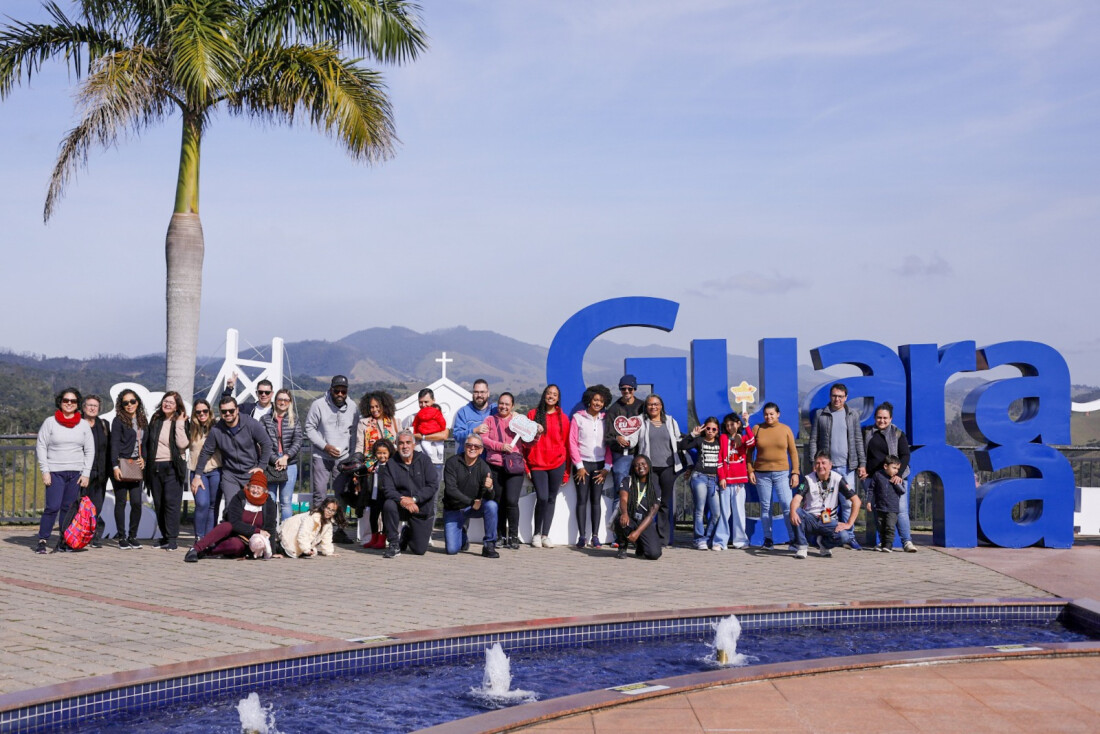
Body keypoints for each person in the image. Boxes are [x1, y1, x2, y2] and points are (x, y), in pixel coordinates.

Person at [34, 388, 94, 554]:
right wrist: (45, 470)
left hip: (75, 473)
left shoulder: (83, 425)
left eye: (73, 401)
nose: (69, 403)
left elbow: (90, 449)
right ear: (60, 402)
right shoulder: (50, 422)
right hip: (55, 471)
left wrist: (86, 473)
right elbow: (41, 446)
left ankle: (64, 540)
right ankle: (43, 539)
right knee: (52, 507)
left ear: (77, 404)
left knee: (68, 508)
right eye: (66, 400)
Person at [808, 383, 866, 548]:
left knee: (848, 503)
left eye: (840, 396)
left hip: (847, 467)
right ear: (830, 396)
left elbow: (858, 440)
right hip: (826, 468)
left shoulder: (852, 415)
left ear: (846, 397)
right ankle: (826, 535)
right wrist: (815, 461)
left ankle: (849, 536)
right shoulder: (821, 414)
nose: (837, 399)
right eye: (834, 395)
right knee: (823, 503)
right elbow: (813, 440)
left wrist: (862, 463)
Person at [625, 394, 685, 546]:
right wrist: (624, 440)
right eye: (650, 404)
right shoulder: (640, 421)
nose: (653, 407)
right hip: (648, 469)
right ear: (646, 406)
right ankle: (644, 535)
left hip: (668, 468)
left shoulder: (670, 421)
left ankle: (663, 538)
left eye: (656, 404)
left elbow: (679, 441)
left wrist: (693, 437)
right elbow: (632, 440)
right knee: (647, 503)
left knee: (664, 503)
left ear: (661, 406)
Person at [190, 395, 272, 499]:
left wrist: (261, 467)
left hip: (251, 472)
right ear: (220, 412)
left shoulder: (251, 424)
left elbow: (266, 443)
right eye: (224, 411)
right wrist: (197, 476)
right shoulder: (216, 430)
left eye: (231, 410)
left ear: (237, 410)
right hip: (230, 475)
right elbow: (206, 452)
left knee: (252, 505)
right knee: (232, 507)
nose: (228, 413)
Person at [184, 471, 277, 561]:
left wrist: (273, 551)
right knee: (227, 526)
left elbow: (271, 528)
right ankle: (196, 549)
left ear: (264, 490)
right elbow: (234, 523)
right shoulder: (239, 498)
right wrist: (257, 530)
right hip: (236, 534)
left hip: (255, 542)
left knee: (237, 546)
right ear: (248, 487)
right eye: (253, 487)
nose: (255, 490)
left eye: (259, 488)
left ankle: (207, 552)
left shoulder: (269, 504)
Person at [863, 402, 916, 552]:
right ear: (874, 418)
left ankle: (907, 541)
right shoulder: (867, 432)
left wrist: (898, 474)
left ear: (891, 418)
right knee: (878, 512)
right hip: (874, 478)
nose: (882, 421)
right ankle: (884, 542)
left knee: (901, 510)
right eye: (879, 417)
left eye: (885, 418)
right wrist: (862, 467)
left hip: (895, 479)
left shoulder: (897, 433)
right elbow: (862, 452)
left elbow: (905, 455)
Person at [790, 452, 862, 559]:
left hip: (829, 520)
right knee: (796, 512)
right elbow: (797, 499)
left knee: (845, 536)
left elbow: (856, 501)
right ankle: (802, 547)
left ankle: (824, 544)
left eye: (824, 463)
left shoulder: (838, 479)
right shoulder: (808, 479)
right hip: (811, 519)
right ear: (814, 466)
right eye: (818, 463)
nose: (820, 466)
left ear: (830, 465)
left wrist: (849, 524)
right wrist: (792, 512)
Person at [378, 430, 439, 558]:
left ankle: (406, 533)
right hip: (400, 505)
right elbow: (387, 489)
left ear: (414, 444)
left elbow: (433, 485)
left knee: (419, 550)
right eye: (401, 443)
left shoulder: (425, 460)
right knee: (388, 504)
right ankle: (394, 544)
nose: (404, 446)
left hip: (419, 507)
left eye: (408, 443)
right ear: (396, 445)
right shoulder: (391, 463)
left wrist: (415, 499)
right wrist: (403, 500)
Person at [304, 375, 359, 515]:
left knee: (341, 495)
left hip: (343, 459)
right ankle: (316, 528)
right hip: (321, 456)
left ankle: (339, 528)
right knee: (319, 494)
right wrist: (325, 446)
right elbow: (309, 428)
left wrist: (351, 456)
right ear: (331, 389)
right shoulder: (318, 405)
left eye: (343, 391)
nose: (340, 394)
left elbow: (354, 433)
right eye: (337, 391)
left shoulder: (353, 407)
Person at [524, 384, 570, 548]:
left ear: (558, 398)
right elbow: (524, 443)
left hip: (557, 463)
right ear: (544, 395)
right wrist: (527, 467)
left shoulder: (563, 418)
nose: (551, 396)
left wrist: (566, 471)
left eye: (555, 394)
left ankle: (545, 535)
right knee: (542, 497)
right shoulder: (533, 414)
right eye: (549, 393)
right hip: (537, 463)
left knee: (551, 499)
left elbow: (566, 444)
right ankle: (536, 533)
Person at [750, 402, 800, 549]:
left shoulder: (785, 430)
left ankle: (793, 539)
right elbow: (749, 452)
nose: (769, 416)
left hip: (782, 473)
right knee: (766, 507)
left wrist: (795, 472)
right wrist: (750, 470)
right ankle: (768, 539)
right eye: (766, 414)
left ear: (778, 414)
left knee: (787, 506)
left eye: (772, 414)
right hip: (761, 474)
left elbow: (793, 452)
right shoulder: (757, 429)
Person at [144, 391, 189, 551]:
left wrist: (179, 424)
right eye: (165, 401)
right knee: (159, 503)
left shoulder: (181, 421)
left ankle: (172, 539)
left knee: (171, 503)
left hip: (172, 466)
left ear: (177, 405)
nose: (167, 404)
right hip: (155, 467)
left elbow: (183, 444)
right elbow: (148, 443)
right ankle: (164, 536)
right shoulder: (156, 420)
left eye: (171, 402)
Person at [568, 385, 613, 548]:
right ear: (589, 400)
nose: (598, 403)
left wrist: (607, 468)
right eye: (595, 400)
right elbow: (572, 442)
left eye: (601, 401)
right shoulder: (578, 418)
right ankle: (582, 536)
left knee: (596, 501)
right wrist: (579, 465)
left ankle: (595, 536)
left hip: (600, 466)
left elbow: (609, 444)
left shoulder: (607, 419)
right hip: (582, 465)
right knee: (581, 500)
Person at [481, 392, 527, 549]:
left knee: (512, 501)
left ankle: (513, 536)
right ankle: (500, 535)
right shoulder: (489, 420)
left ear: (512, 406)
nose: (503, 406)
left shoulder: (518, 422)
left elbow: (529, 440)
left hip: (514, 467)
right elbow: (484, 439)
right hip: (495, 465)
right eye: (501, 403)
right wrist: (500, 446)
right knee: (498, 501)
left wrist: (537, 433)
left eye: (507, 404)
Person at [355, 391, 400, 547]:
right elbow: (360, 445)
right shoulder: (364, 423)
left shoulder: (394, 422)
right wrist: (357, 461)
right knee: (373, 506)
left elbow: (399, 444)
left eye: (377, 406)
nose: (374, 410)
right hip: (371, 470)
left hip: (391, 469)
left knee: (387, 503)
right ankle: (373, 537)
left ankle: (385, 537)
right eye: (371, 407)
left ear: (384, 405)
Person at [442, 436, 499, 557]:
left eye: (476, 446)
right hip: (454, 509)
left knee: (492, 506)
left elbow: (491, 496)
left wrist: (490, 488)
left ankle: (489, 545)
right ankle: (462, 533)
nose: (472, 448)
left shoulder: (484, 467)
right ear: (464, 447)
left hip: (473, 508)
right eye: (469, 445)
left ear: (481, 450)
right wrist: (471, 502)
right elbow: (451, 490)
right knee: (452, 550)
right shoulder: (452, 462)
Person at [109, 388, 147, 549]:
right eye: (126, 403)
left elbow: (145, 444)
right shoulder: (118, 421)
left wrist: (144, 458)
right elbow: (115, 444)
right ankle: (122, 537)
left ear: (137, 402)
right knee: (121, 502)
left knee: (137, 503)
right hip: (122, 464)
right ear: (121, 405)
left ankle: (133, 536)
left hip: (136, 466)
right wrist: (115, 466)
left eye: (132, 401)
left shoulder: (143, 420)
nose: (129, 405)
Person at [680, 416, 724, 550]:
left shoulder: (720, 442)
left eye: (714, 429)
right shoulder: (699, 441)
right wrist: (693, 434)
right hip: (699, 477)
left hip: (714, 479)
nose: (710, 431)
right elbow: (682, 446)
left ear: (717, 431)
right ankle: (699, 539)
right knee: (699, 509)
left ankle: (707, 538)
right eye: (708, 428)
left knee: (716, 513)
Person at [262, 388, 303, 522]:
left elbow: (298, 440)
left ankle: (285, 534)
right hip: (270, 463)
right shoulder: (265, 420)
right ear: (275, 401)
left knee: (286, 501)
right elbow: (263, 442)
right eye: (280, 399)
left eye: (286, 400)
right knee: (270, 500)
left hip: (289, 463)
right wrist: (276, 459)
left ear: (290, 402)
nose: (283, 402)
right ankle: (271, 532)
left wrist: (286, 457)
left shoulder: (294, 420)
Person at [717, 412, 755, 549]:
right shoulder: (723, 438)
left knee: (739, 512)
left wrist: (747, 424)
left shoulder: (743, 437)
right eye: (727, 425)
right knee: (724, 512)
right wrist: (722, 477)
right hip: (726, 482)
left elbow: (752, 442)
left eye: (732, 424)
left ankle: (740, 541)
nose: (729, 427)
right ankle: (720, 541)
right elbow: (720, 459)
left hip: (739, 482)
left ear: (738, 424)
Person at [613, 455, 662, 560]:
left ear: (648, 465)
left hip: (645, 521)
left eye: (643, 464)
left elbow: (653, 512)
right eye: (637, 465)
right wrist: (625, 513)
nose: (640, 467)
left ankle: (640, 545)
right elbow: (623, 499)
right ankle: (622, 546)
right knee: (621, 521)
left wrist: (638, 532)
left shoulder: (654, 483)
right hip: (630, 518)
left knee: (654, 554)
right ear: (633, 468)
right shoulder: (627, 480)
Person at [188, 399, 222, 540]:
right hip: (197, 473)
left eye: (205, 411)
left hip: (215, 470)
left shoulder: (217, 426)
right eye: (198, 412)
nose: (202, 414)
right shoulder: (189, 428)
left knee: (213, 506)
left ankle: (210, 539)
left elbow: (227, 407)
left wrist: (229, 388)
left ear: (209, 411)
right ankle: (199, 537)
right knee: (202, 504)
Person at [604, 374, 644, 493]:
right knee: (621, 489)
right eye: (623, 389)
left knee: (640, 489)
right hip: (621, 455)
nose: (626, 391)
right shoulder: (613, 409)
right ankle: (621, 511)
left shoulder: (642, 406)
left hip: (641, 452)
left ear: (634, 389)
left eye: (630, 389)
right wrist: (617, 438)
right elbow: (607, 436)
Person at [81, 394, 110, 548]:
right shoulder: (77, 424)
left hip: (100, 473)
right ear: (83, 407)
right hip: (80, 473)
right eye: (89, 405)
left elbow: (110, 448)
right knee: (79, 505)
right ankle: (77, 534)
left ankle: (93, 536)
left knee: (96, 506)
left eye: (95, 406)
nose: (92, 408)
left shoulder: (104, 425)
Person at [868, 455, 905, 553]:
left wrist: (896, 483)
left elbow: (902, 491)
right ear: (885, 466)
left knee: (890, 526)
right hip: (880, 506)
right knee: (881, 526)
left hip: (892, 508)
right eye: (894, 468)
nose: (896, 471)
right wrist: (868, 501)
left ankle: (889, 545)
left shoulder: (897, 479)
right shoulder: (877, 475)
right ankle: (883, 543)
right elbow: (871, 489)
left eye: (897, 469)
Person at [451, 379, 495, 450]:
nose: (479, 395)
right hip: (467, 457)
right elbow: (457, 436)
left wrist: (514, 414)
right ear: (472, 393)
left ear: (488, 393)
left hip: (489, 458)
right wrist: (474, 431)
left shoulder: (495, 410)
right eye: (476, 392)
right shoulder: (463, 412)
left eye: (482, 392)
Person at [410, 388, 448, 464]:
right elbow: (410, 437)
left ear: (433, 400)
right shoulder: (411, 418)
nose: (423, 405)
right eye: (420, 402)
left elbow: (444, 435)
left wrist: (422, 437)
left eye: (426, 402)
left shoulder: (441, 417)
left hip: (436, 462)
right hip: (417, 462)